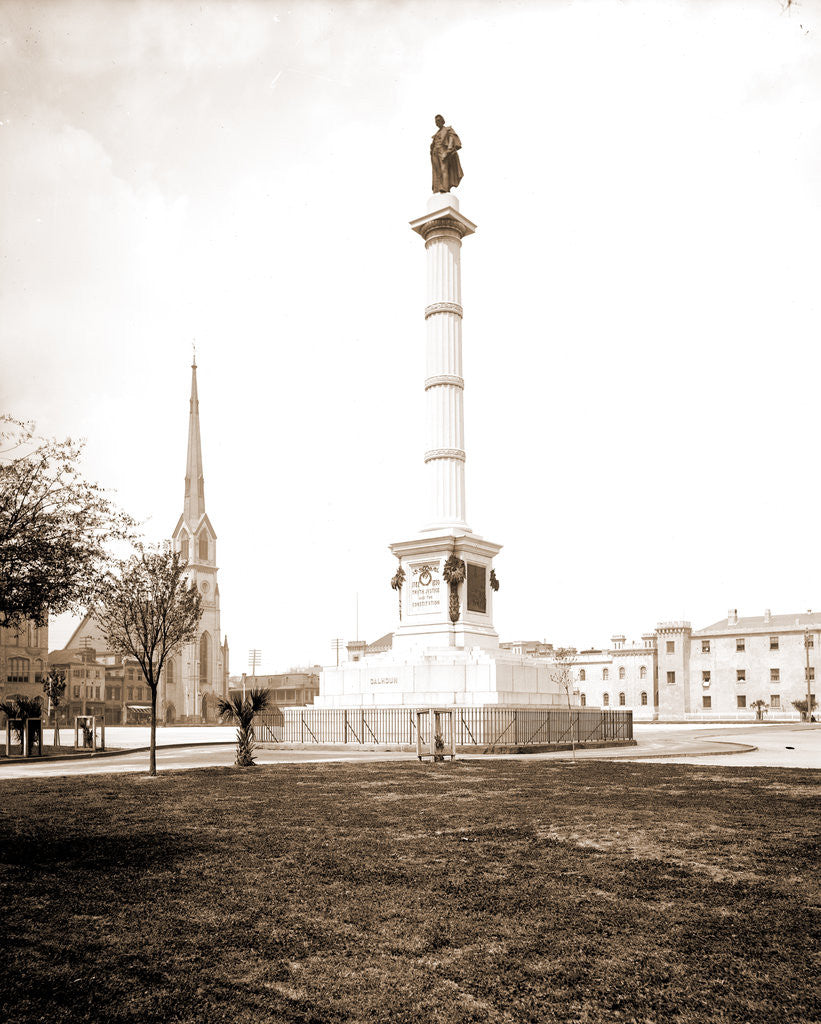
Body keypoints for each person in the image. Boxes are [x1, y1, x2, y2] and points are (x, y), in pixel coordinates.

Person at [430, 114, 463, 193]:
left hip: (443, 150)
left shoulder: (448, 129)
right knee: (437, 171)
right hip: (435, 152)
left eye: (438, 120)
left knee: (444, 169)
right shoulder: (436, 134)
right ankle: (438, 188)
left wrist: (448, 151)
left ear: (442, 121)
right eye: (436, 121)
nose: (437, 122)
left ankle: (445, 187)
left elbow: (452, 139)